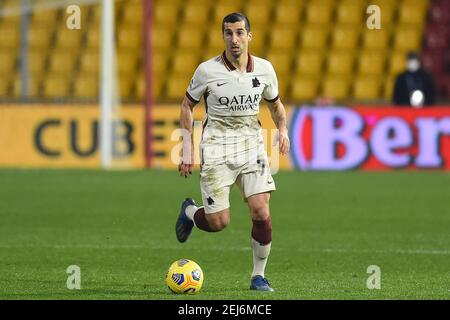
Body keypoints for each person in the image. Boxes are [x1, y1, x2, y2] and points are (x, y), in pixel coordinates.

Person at [175, 13, 290, 292]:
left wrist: (283, 130)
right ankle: (190, 212)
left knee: (261, 211)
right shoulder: (207, 71)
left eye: (240, 33)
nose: (234, 39)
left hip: (252, 145)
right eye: (228, 33)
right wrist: (187, 147)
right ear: (223, 36)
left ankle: (258, 276)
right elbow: (187, 106)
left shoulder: (264, 69)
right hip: (217, 148)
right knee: (218, 222)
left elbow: (275, 104)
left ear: (250, 36)